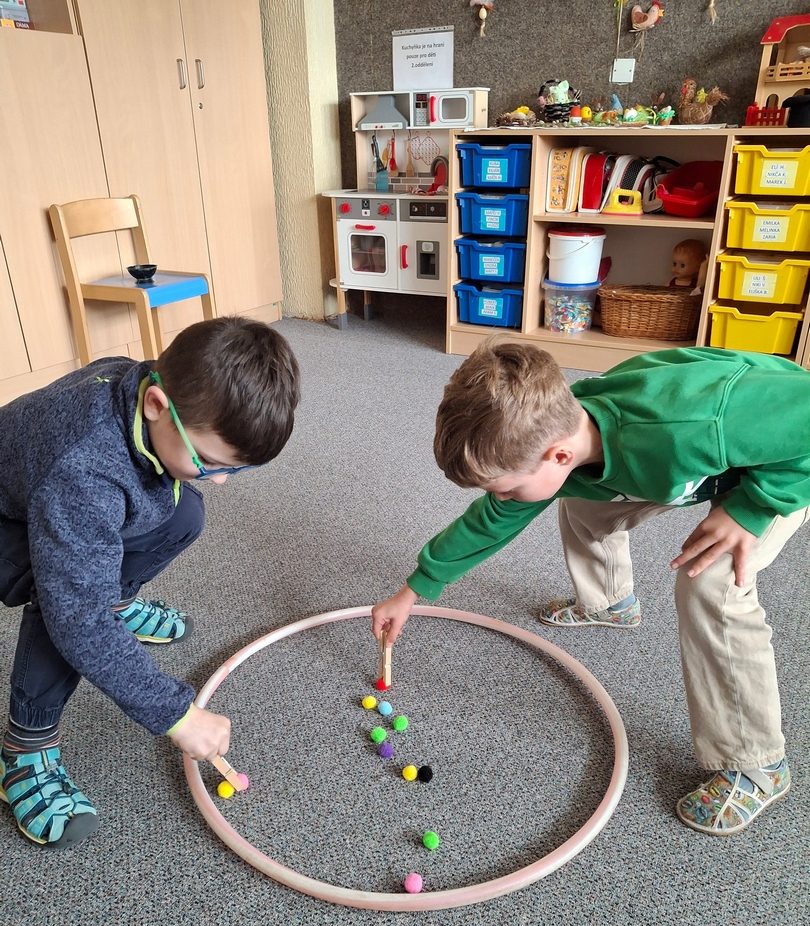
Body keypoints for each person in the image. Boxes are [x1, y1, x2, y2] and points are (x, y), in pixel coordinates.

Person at [372, 337, 810, 836]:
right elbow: (491, 520)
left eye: (507, 488)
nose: (504, 499)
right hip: (702, 457)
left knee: (712, 581)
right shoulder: (560, 441)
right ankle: (610, 602)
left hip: (783, 466)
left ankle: (757, 763)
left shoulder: (685, 427)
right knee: (584, 499)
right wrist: (413, 589)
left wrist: (750, 510)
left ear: (558, 454)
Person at [0, 316, 300, 849]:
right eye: (210, 461)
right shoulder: (84, 469)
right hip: (12, 521)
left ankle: (114, 600)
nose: (221, 480)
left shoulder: (146, 382)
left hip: (54, 500)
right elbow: (78, 618)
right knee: (67, 606)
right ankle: (25, 747)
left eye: (233, 469)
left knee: (184, 513)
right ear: (157, 405)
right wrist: (177, 715)